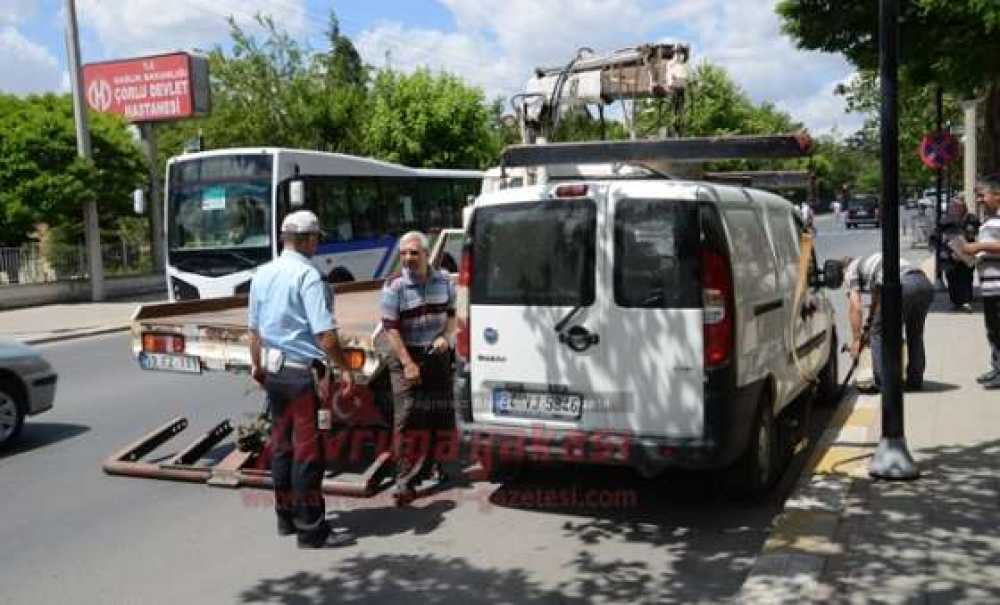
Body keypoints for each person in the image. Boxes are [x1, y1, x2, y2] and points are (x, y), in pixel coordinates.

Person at [247, 210, 357, 548]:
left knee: (281, 448)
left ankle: (286, 519)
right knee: (307, 454)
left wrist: (258, 368)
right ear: (307, 239)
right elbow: (325, 335)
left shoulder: (262, 274)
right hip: (300, 375)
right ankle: (311, 530)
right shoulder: (308, 276)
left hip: (275, 372)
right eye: (316, 238)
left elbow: (253, 331)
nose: (317, 243)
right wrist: (344, 369)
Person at [380, 231, 457, 506]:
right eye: (403, 254)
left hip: (436, 355)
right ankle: (404, 481)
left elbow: (451, 315)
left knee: (441, 411)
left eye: (414, 253)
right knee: (408, 418)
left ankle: (441, 465)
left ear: (427, 254)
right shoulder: (394, 286)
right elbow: (391, 329)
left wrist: (444, 337)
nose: (408, 258)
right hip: (406, 357)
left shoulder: (445, 281)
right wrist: (408, 363)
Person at [843, 252, 934, 391]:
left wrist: (856, 340)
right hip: (924, 283)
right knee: (915, 333)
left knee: (877, 333)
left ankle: (883, 383)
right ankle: (915, 380)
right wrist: (869, 324)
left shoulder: (850, 270)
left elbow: (855, 307)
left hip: (903, 286)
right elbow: (877, 299)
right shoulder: (871, 263)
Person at [960, 174, 1000, 389]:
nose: (979, 200)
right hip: (990, 286)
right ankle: (997, 367)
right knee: (993, 330)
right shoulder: (990, 219)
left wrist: (978, 247)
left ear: (997, 195)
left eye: (982, 195)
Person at [942, 193, 976, 310]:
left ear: (964, 206)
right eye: (954, 206)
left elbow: (974, 233)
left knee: (965, 277)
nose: (955, 208)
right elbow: (940, 234)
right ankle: (955, 302)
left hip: (966, 253)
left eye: (958, 206)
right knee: (951, 277)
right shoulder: (947, 219)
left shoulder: (971, 218)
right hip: (950, 254)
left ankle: (966, 301)